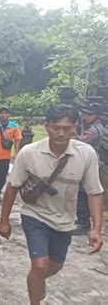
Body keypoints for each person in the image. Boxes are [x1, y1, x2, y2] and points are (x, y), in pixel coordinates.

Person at [0, 104, 104, 305]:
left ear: (75, 127)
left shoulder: (86, 154)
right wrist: (4, 221)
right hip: (34, 214)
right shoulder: (29, 153)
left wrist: (96, 229)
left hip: (65, 219)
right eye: (56, 127)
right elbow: (12, 187)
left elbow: (94, 192)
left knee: (54, 266)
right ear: (46, 126)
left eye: (67, 128)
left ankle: (37, 283)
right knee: (39, 265)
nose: (61, 133)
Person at [74, 100, 105, 235]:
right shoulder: (97, 127)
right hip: (92, 161)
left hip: (89, 162)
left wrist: (74, 132)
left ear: (96, 116)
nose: (86, 117)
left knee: (82, 192)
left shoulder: (93, 130)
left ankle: (83, 222)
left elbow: (81, 142)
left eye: (89, 115)